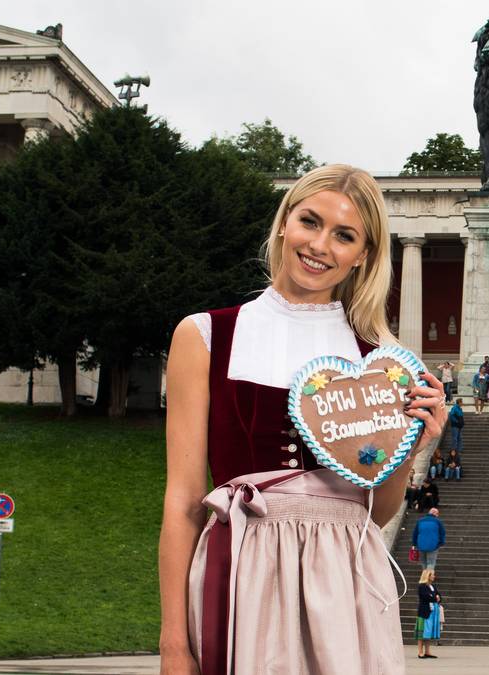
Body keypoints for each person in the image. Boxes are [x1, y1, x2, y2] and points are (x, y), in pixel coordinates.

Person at [159, 164, 447, 674]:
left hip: (343, 581)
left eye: (344, 235)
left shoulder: (381, 364)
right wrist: (174, 645)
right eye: (310, 222)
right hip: (239, 568)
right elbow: (183, 501)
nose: (319, 245)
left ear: (363, 255)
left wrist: (412, 449)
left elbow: (375, 515)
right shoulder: (204, 336)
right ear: (283, 223)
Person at [415, 569, 442, 659]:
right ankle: (420, 652)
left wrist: (435, 597)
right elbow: (426, 597)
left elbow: (439, 596)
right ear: (428, 576)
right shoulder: (422, 586)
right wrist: (435, 597)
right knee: (421, 632)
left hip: (432, 613)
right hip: (424, 612)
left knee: (428, 632)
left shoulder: (433, 586)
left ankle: (427, 651)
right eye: (433, 575)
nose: (434, 576)